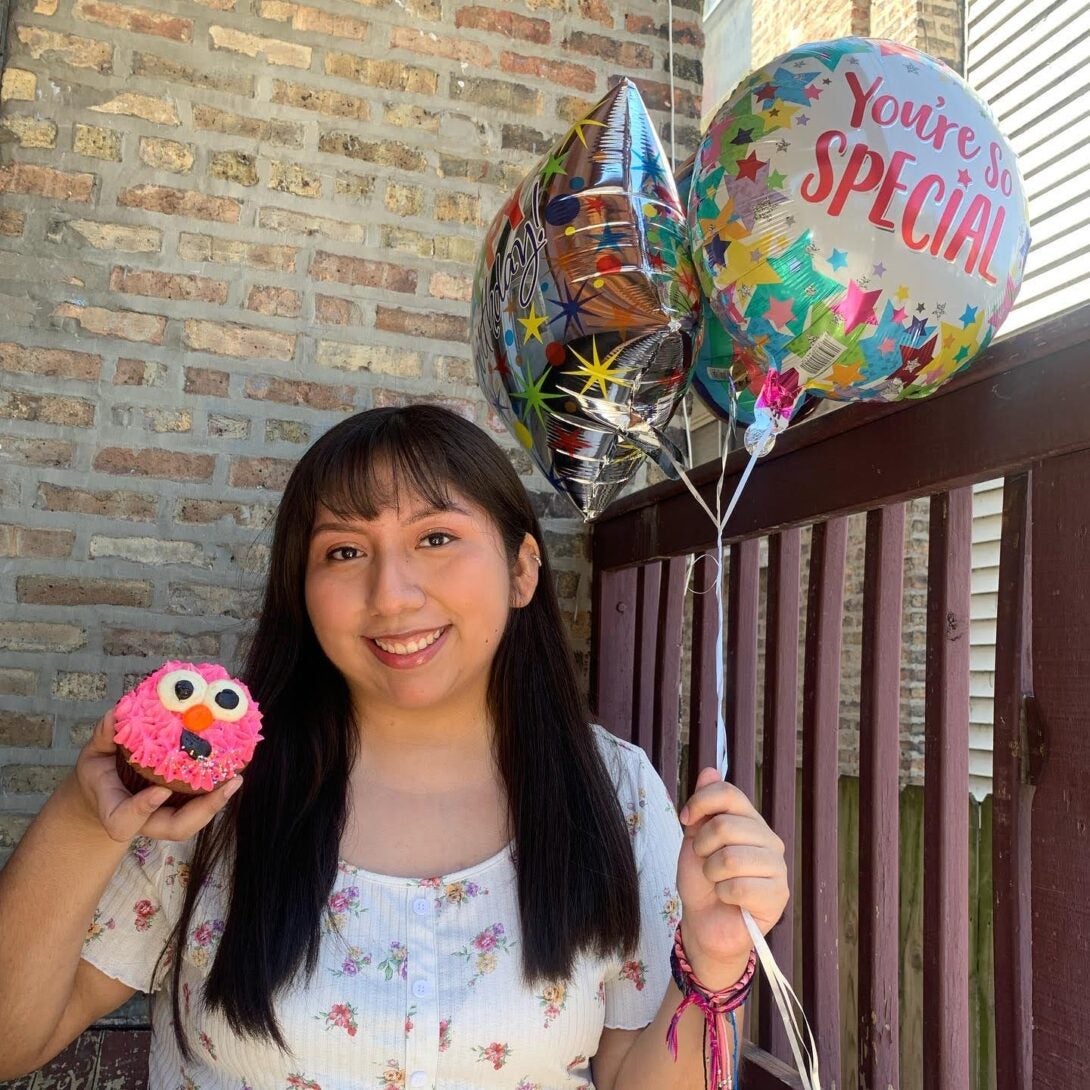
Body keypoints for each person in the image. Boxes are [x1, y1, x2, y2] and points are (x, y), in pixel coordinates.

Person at [0, 404, 789, 1089]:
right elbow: (14, 1042)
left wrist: (714, 965)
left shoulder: (612, 790)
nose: (392, 595)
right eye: (344, 551)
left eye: (437, 537)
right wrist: (84, 813)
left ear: (522, 570)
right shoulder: (220, 784)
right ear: (301, 592)